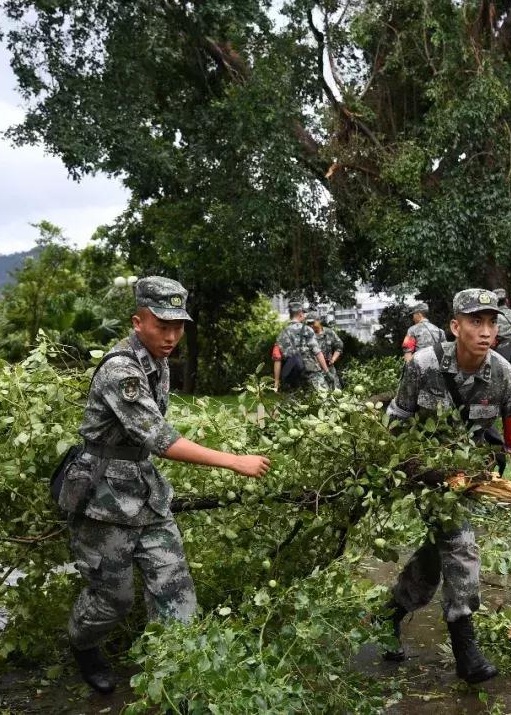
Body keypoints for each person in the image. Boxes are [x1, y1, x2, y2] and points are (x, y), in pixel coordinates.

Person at [60, 276, 271, 693]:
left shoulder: (159, 361)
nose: (172, 335)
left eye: (178, 326)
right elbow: (162, 440)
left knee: (176, 596)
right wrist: (234, 461)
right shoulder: (122, 370)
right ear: (138, 321)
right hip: (102, 503)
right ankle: (82, 645)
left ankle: (180, 683)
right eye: (162, 325)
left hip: (147, 497)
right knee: (112, 600)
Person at [381, 288, 511, 684]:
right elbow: (397, 417)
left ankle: (390, 613)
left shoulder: (505, 375)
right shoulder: (423, 365)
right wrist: (392, 472)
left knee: (441, 554)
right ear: (455, 326)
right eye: (475, 321)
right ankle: (466, 650)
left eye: (491, 322)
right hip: (427, 475)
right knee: (461, 545)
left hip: (474, 478)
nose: (485, 331)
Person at [272, 301, 331, 392]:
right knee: (324, 399)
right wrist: (327, 372)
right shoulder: (307, 329)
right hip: (311, 372)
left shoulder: (282, 334)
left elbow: (277, 359)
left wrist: (276, 383)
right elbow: (317, 352)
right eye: (303, 313)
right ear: (300, 314)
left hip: (293, 375)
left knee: (296, 404)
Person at [310, 312, 344, 389]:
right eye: (309, 323)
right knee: (322, 395)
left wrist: (333, 359)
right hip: (316, 371)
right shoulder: (308, 335)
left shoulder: (329, 332)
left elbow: (339, 346)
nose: (311, 325)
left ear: (318, 321)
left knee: (337, 392)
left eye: (313, 322)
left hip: (330, 368)